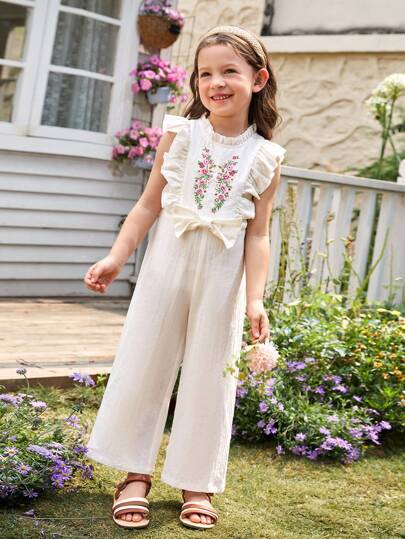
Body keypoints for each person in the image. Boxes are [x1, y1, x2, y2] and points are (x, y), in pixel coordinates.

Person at [83, 24, 286, 531]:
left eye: (229, 71)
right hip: (165, 272)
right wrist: (116, 257)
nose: (215, 82)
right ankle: (134, 474)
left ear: (258, 79)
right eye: (205, 73)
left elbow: (258, 235)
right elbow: (147, 205)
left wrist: (255, 299)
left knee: (210, 377)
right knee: (145, 362)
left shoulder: (266, 157)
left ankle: (197, 481)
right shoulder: (180, 135)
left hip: (222, 282)